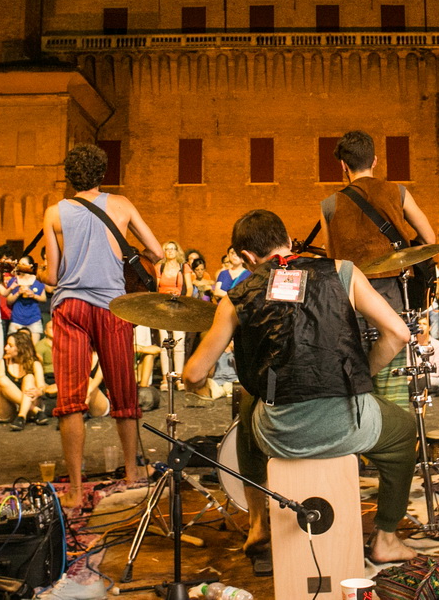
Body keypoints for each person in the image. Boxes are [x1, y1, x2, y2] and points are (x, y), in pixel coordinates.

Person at [183, 209, 418, 568]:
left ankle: (259, 524)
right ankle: (385, 538)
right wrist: (357, 377)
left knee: (249, 401)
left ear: (246, 257)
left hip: (281, 435)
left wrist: (204, 387)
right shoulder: (344, 272)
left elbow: (193, 374)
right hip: (347, 427)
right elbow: (399, 334)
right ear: (290, 240)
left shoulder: (236, 297)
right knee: (403, 433)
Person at [43, 143, 162, 507]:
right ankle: (131, 471)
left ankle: (76, 491)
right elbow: (156, 251)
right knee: (123, 392)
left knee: (71, 400)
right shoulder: (122, 205)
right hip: (113, 306)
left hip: (71, 308)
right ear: (102, 173)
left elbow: (51, 276)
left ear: (69, 176)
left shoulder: (54, 213)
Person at [319, 130, 436, 406]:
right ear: (374, 161)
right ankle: (391, 439)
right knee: (392, 381)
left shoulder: (328, 205)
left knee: (352, 376)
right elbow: (429, 239)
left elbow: (330, 256)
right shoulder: (397, 192)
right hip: (392, 300)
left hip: (349, 303)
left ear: (343, 166)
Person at [0, 330, 48, 429]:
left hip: (29, 411)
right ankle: (36, 410)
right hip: (7, 411)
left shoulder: (35, 363)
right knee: (1, 380)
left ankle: (21, 416)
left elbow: (42, 387)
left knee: (29, 377)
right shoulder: (4, 362)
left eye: (10, 345)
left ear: (20, 348)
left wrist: (38, 392)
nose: (6, 348)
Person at [155, 241, 187, 388]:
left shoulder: (183, 266)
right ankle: (165, 378)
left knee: (179, 342)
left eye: (173, 249)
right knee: (164, 343)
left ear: (177, 250)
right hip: (163, 306)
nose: (170, 252)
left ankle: (179, 378)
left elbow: (189, 286)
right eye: (167, 249)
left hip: (179, 306)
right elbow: (156, 288)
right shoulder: (159, 267)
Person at [5, 256, 47, 340]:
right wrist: (18, 293)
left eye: (23, 264)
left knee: (33, 348)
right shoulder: (14, 280)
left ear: (30, 266)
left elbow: (44, 299)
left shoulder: (38, 280)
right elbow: (8, 301)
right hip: (17, 318)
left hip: (34, 318)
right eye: (19, 264)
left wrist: (33, 295)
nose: (20, 266)